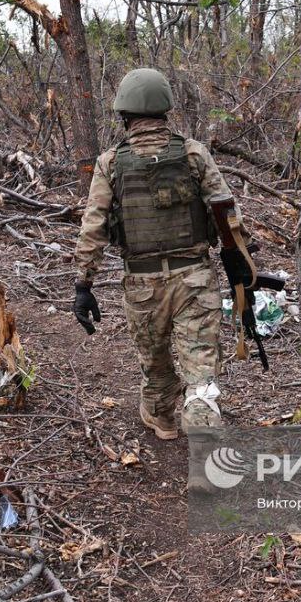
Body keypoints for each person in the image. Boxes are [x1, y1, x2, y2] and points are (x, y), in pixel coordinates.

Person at [71, 67, 253, 439]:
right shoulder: (192, 154)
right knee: (200, 370)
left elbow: (94, 226)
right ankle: (202, 433)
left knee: (154, 362)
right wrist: (240, 261)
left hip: (142, 283)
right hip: (196, 279)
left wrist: (83, 284)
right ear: (165, 109)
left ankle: (162, 418)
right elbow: (227, 214)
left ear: (124, 115)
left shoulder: (111, 163)